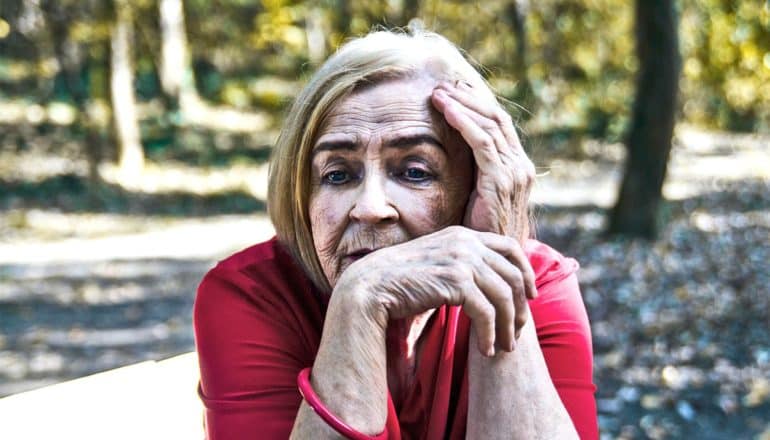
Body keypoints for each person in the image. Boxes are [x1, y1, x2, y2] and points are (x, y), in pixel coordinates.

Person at [194, 29, 597, 439]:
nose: (370, 207)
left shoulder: (540, 283)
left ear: (475, 183)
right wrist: (360, 299)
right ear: (302, 192)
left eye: (414, 172)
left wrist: (496, 266)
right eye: (337, 174)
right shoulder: (250, 295)